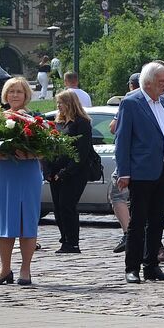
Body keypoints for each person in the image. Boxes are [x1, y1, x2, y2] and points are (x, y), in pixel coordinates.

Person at [113, 62, 164, 284]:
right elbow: (122, 140)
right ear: (148, 83)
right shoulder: (131, 103)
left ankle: (152, 266)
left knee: (157, 221)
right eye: (162, 82)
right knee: (138, 222)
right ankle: (131, 267)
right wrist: (124, 172)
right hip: (141, 172)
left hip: (163, 169)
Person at [0, 78, 42, 285]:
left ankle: (26, 270)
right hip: (4, 174)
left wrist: (26, 153)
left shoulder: (35, 120)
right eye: (11, 91)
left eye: (19, 92)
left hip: (27, 174)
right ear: (5, 95)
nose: (15, 95)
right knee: (4, 223)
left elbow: (45, 151)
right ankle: (5, 269)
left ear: (26, 95)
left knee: (27, 223)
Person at [46, 90, 93, 254]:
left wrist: (65, 172)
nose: (59, 106)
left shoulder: (82, 123)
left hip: (75, 172)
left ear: (71, 104)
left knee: (67, 205)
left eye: (62, 103)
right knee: (58, 207)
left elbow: (82, 152)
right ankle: (64, 239)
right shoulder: (58, 122)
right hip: (56, 172)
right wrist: (49, 170)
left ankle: (73, 242)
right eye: (58, 103)